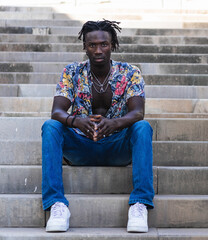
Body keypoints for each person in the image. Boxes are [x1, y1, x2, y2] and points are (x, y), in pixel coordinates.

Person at [41, 20, 154, 233]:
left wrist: (114, 124)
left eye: (104, 44)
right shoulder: (72, 72)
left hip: (116, 146)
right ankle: (57, 204)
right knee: (50, 127)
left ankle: (140, 203)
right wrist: (76, 121)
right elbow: (57, 112)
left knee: (142, 127)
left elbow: (137, 112)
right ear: (85, 46)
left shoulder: (130, 72)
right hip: (81, 145)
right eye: (92, 45)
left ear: (113, 45)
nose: (98, 50)